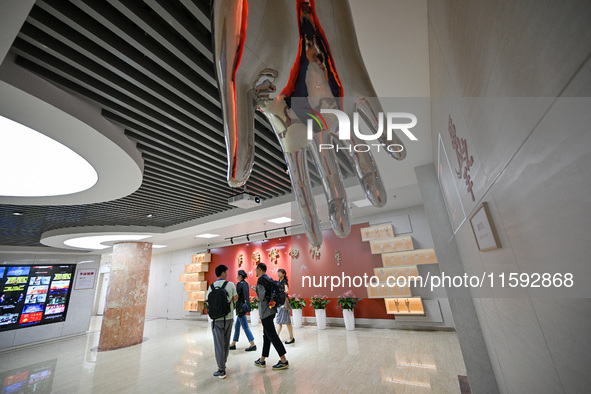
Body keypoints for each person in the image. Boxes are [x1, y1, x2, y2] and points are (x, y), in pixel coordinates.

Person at [253, 262, 289, 370]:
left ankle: (283, 360)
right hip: (272, 309)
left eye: (256, 269)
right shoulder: (269, 278)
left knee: (272, 335)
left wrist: (256, 298)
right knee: (267, 335)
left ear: (259, 269)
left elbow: (261, 296)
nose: (255, 271)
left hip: (265, 311)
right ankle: (262, 359)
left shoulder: (261, 280)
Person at [206, 264, 238, 379]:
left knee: (218, 344)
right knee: (226, 342)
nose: (227, 273)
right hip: (228, 317)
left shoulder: (211, 286)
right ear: (223, 273)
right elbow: (235, 299)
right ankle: (223, 362)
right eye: (226, 272)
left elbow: (208, 302)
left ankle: (221, 369)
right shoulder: (230, 284)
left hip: (216, 319)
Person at [229, 270, 256, 351]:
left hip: (241, 308)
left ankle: (252, 344)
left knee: (245, 327)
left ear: (240, 276)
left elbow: (237, 296)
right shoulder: (246, 284)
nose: (236, 276)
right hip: (245, 307)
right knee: (237, 326)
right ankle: (233, 343)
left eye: (237, 275)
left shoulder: (239, 284)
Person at [275, 269, 295, 344]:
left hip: (284, 303)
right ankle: (276, 338)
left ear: (283, 274)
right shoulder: (279, 282)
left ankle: (291, 338)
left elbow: (287, 291)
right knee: (279, 321)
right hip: (280, 303)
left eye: (280, 273)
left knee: (286, 321)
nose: (278, 274)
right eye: (278, 273)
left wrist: (280, 292)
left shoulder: (284, 282)